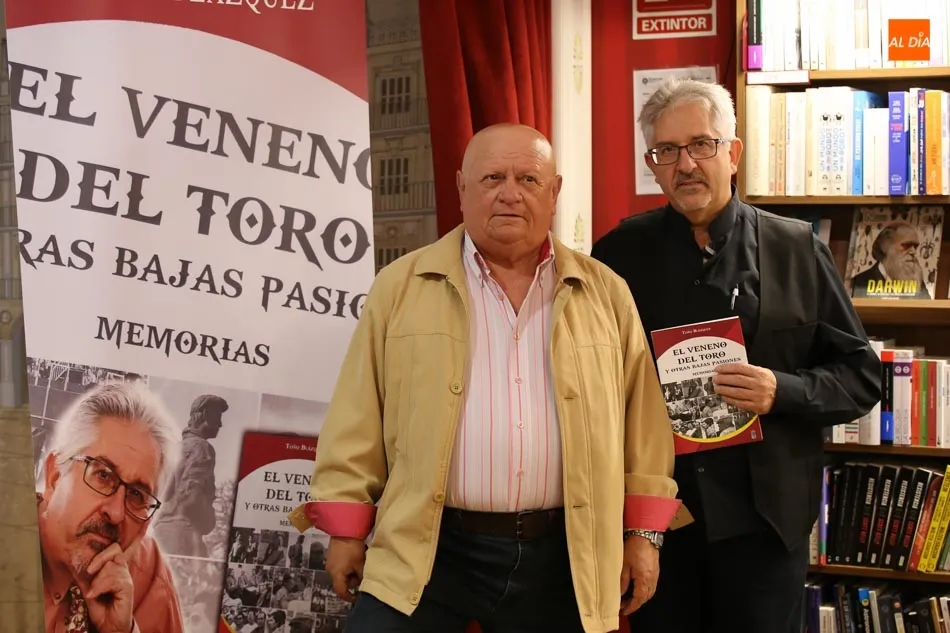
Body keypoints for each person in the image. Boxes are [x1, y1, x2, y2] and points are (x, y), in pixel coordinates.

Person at [289, 122, 683, 633]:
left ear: (555, 191)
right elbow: (357, 418)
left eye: (528, 179)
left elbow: (644, 430)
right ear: (461, 188)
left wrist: (643, 536)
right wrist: (345, 531)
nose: (510, 194)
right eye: (493, 177)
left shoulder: (606, 293)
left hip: (566, 553)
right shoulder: (401, 287)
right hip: (427, 548)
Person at [591, 78, 882, 633]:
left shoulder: (796, 247)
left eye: (701, 144)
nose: (685, 165)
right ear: (652, 165)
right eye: (666, 151)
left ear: (733, 152)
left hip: (766, 527)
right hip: (660, 526)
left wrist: (783, 390)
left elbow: (861, 378)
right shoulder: (618, 255)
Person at [36, 380, 186, 633]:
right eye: (103, 475)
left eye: (137, 495)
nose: (116, 513)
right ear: (55, 476)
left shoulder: (150, 576)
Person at [151, 393, 229, 557]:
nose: (220, 424)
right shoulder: (202, 447)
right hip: (184, 536)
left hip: (161, 532)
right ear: (206, 414)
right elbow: (190, 498)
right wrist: (209, 520)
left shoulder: (175, 448)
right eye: (218, 417)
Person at [850, 220, 931, 299]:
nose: (913, 251)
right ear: (885, 246)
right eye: (907, 245)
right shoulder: (858, 283)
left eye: (915, 246)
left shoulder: (918, 284)